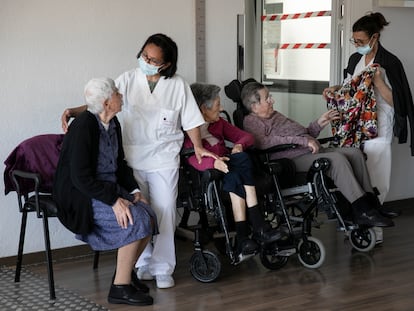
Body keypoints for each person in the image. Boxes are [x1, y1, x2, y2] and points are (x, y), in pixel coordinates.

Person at [60, 34, 216, 289]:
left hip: (164, 158)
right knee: (137, 213)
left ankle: (163, 267)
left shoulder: (177, 85)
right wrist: (75, 111)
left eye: (152, 59)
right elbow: (102, 101)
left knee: (165, 210)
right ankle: (142, 263)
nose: (146, 61)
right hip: (130, 159)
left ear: (165, 64)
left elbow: (190, 119)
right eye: (144, 55)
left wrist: (198, 147)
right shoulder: (128, 79)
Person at [53, 78, 157, 306]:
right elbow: (80, 177)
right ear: (107, 102)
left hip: (108, 188)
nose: (121, 95)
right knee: (134, 220)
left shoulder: (113, 122)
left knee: (148, 215)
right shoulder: (83, 127)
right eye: (117, 93)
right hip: (82, 194)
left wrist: (134, 190)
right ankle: (120, 288)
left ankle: (125, 274)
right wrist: (114, 201)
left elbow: (119, 164)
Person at [241, 81, 394, 228]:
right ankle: (363, 211)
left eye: (270, 96)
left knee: (355, 154)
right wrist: (303, 141)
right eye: (267, 98)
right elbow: (263, 143)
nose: (272, 100)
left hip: (310, 150)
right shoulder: (251, 121)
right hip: (290, 160)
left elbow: (305, 133)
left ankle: (373, 205)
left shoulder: (275, 115)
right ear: (254, 107)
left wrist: (320, 123)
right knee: (336, 160)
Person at [323, 12, 414, 206]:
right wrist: (335, 89)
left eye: (360, 41)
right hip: (353, 125)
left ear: (375, 37)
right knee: (354, 172)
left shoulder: (390, 63)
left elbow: (399, 103)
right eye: (354, 40)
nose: (357, 45)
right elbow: (350, 87)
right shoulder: (355, 59)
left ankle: (375, 227)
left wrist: (379, 82)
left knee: (376, 175)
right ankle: (356, 218)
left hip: (379, 126)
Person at [183, 83, 283, 258]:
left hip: (230, 167)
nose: (221, 109)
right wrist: (214, 164)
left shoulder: (219, 123)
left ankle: (246, 238)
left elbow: (247, 137)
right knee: (235, 171)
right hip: (211, 175)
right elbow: (191, 157)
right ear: (202, 109)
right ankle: (256, 228)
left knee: (242, 158)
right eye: (217, 106)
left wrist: (238, 145)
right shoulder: (190, 131)